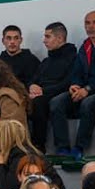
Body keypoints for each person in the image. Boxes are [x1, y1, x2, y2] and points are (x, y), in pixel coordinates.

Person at [49, 11, 95, 160]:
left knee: (87, 103)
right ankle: (62, 148)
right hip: (85, 88)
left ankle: (80, 147)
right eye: (87, 23)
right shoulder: (85, 46)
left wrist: (87, 89)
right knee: (56, 102)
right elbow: (77, 71)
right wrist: (75, 85)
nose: (91, 26)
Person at [26, 22, 79, 150]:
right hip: (41, 94)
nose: (44, 41)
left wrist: (43, 91)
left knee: (39, 102)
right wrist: (32, 86)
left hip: (60, 95)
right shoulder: (46, 61)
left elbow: (68, 83)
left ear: (60, 38)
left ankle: (39, 145)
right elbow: (33, 79)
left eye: (47, 37)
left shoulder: (73, 58)